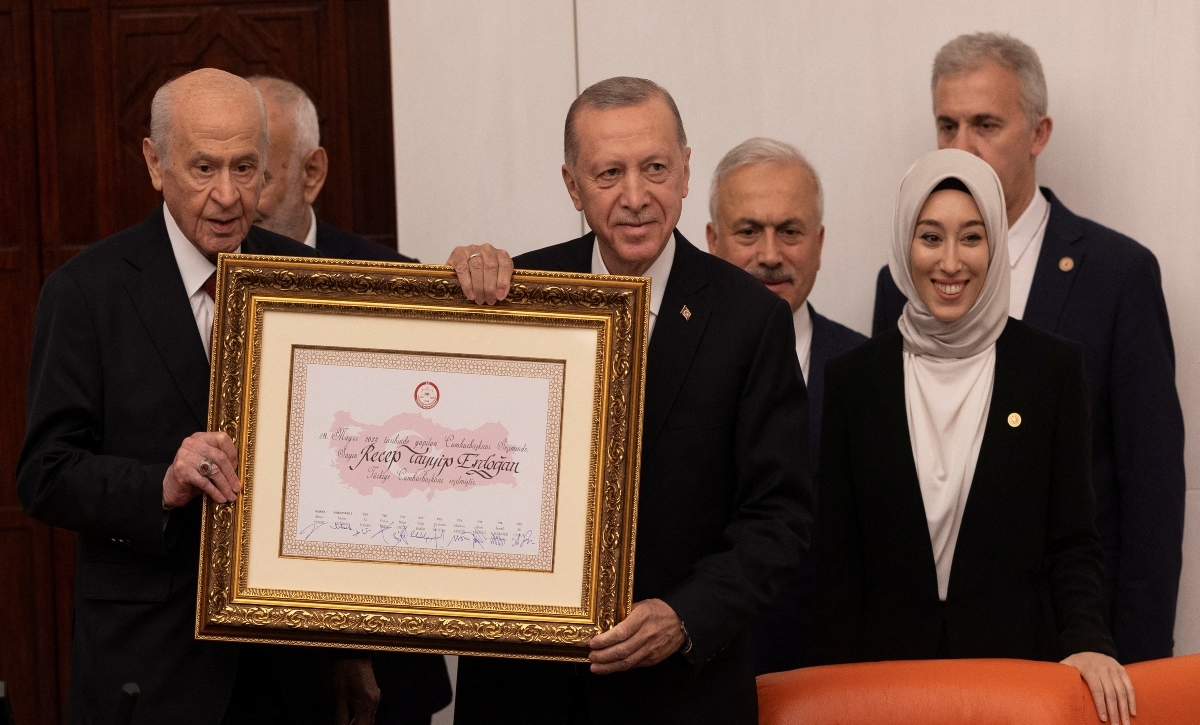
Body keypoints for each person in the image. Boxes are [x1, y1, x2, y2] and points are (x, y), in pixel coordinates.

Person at [443, 77, 812, 724]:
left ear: (686, 170)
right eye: (609, 173)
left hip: (677, 695)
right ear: (572, 185)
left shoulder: (751, 320)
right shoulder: (515, 294)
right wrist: (447, 302)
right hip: (521, 691)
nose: (636, 197)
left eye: (656, 168)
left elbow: (778, 516)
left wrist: (685, 615)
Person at [16, 69, 371, 724]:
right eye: (204, 167)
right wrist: (161, 483)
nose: (227, 195)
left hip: (287, 673)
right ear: (156, 165)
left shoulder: (299, 278)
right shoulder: (86, 292)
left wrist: (346, 649)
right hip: (151, 670)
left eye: (245, 168)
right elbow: (45, 474)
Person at [871, 33, 1185, 663]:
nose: (962, 148)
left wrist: (1138, 664)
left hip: (1071, 652)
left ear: (1039, 133)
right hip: (924, 655)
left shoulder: (1117, 276)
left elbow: (1151, 491)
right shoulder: (901, 284)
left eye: (986, 125)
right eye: (947, 125)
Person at [817, 148, 1135, 725]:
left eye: (971, 237)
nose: (950, 262)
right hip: (884, 687)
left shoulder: (1051, 371)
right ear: (904, 245)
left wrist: (1090, 639)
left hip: (1017, 680)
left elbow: (1073, 541)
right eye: (930, 237)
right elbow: (839, 561)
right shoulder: (853, 380)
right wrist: (833, 693)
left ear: (996, 246)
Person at [246, 74, 450, 725]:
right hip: (239, 670)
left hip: (389, 666)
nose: (231, 195)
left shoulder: (396, 286)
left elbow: (427, 476)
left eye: (254, 173)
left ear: (312, 174)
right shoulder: (189, 287)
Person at [704, 137, 865, 672]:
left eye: (790, 232)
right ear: (712, 241)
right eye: (748, 231)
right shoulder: (669, 359)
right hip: (698, 673)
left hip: (830, 674)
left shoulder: (866, 370)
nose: (770, 255)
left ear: (818, 243)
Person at [246, 75, 419, 263]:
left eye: (254, 179)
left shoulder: (387, 273)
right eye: (209, 170)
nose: (228, 198)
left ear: (312, 173)